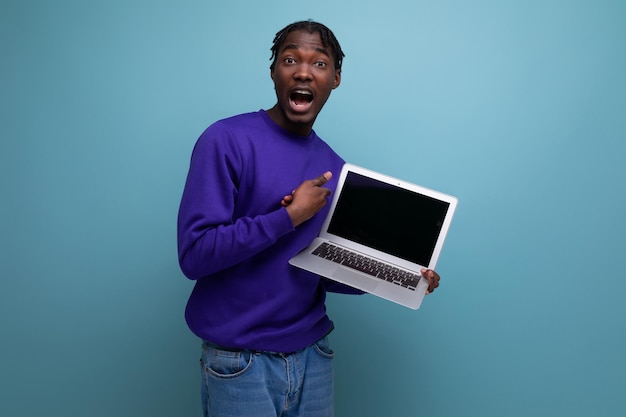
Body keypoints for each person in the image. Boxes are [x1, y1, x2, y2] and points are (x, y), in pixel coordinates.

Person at [177, 20, 441, 417]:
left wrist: (401, 277)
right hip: (240, 363)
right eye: (290, 59)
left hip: (314, 356)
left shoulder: (335, 168)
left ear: (335, 78)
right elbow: (195, 256)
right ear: (273, 73)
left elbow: (319, 270)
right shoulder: (225, 140)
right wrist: (287, 217)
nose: (303, 71)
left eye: (319, 63)